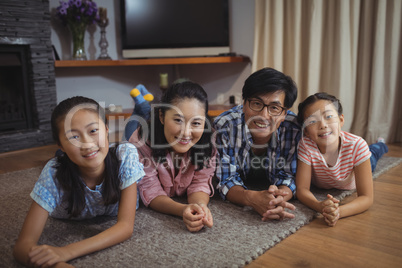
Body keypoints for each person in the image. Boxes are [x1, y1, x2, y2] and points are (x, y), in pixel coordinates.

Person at [13, 96, 145, 267]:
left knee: (135, 134)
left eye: (93, 131)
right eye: (73, 137)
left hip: (106, 154)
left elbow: (125, 227)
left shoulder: (125, 155)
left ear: (106, 130)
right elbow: (22, 247)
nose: (87, 144)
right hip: (67, 165)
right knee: (61, 162)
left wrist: (66, 251)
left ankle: (140, 111)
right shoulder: (54, 174)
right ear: (60, 144)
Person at [213, 67, 301, 221]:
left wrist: (277, 200)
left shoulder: (293, 128)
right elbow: (225, 180)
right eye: (256, 103)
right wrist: (251, 198)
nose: (263, 116)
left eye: (274, 108)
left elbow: (290, 176)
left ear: (284, 113)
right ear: (244, 103)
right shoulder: (224, 126)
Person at [128, 81, 216, 232]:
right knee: (133, 124)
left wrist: (200, 206)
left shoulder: (208, 140)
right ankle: (141, 107)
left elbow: (200, 182)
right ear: (162, 116)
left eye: (196, 123)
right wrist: (182, 210)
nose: (186, 132)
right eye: (178, 120)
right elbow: (151, 191)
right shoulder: (140, 141)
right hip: (142, 132)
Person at [296, 92, 388, 226]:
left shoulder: (357, 145)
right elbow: (302, 189)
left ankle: (381, 144)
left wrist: (338, 212)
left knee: (374, 153)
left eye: (328, 117)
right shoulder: (306, 145)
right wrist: (319, 206)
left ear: (341, 120)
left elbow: (366, 198)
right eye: (312, 121)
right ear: (306, 131)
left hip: (354, 168)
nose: (323, 125)